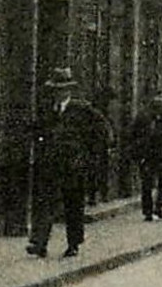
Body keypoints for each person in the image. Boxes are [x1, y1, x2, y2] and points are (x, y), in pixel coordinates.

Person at [27, 67, 111, 259]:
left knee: (73, 206)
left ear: (69, 91)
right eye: (55, 90)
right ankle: (39, 243)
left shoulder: (82, 109)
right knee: (45, 203)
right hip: (51, 166)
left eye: (62, 89)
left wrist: (88, 155)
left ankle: (73, 244)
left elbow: (104, 131)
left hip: (74, 167)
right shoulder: (48, 110)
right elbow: (37, 131)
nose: (58, 93)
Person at [130, 90, 162, 221]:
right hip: (149, 156)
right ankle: (150, 210)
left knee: (159, 184)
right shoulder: (144, 118)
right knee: (150, 184)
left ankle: (155, 208)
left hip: (160, 156)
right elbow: (134, 135)